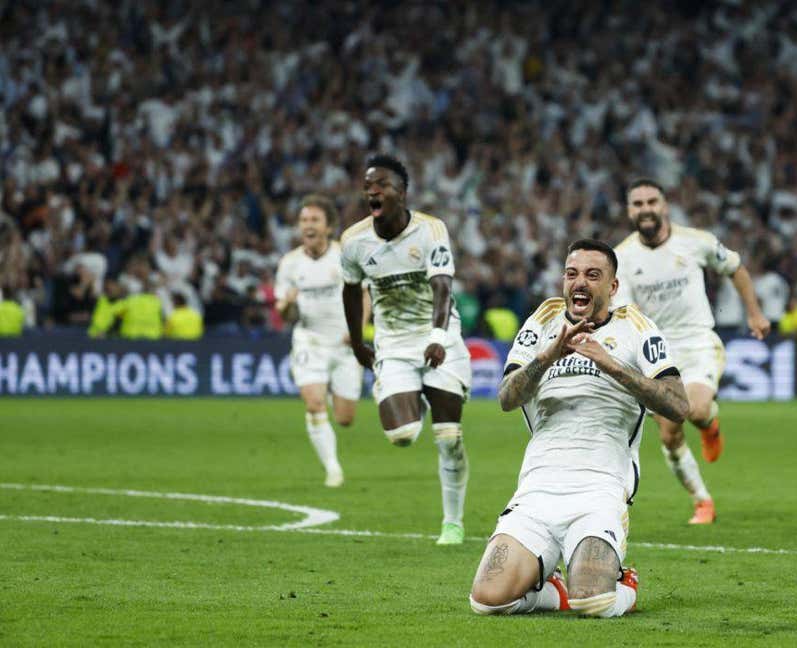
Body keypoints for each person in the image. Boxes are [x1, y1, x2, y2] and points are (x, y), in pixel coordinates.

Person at [469, 239, 689, 618]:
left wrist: (614, 366)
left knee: (593, 601)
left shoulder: (635, 327)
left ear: (613, 287)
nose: (580, 283)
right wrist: (548, 355)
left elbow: (678, 406)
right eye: (572, 274)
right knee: (487, 600)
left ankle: (625, 585)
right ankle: (551, 590)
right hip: (537, 488)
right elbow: (506, 397)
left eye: (593, 275)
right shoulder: (543, 320)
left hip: (599, 490)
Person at [613, 179, 770, 524]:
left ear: (664, 205)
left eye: (651, 201)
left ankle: (709, 424)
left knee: (695, 410)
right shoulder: (621, 258)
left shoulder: (696, 241)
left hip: (697, 342)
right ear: (629, 211)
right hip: (655, 351)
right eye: (637, 204)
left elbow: (736, 268)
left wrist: (755, 313)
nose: (645, 209)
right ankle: (703, 501)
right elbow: (625, 313)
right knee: (670, 435)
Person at [341, 154, 472, 546]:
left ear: (402, 193)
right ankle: (397, 386)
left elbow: (442, 286)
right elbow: (350, 291)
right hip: (393, 344)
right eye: (368, 186)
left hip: (438, 336)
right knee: (402, 434)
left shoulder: (431, 230)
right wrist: (356, 341)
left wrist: (437, 336)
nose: (372, 191)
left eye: (381, 184)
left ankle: (453, 523)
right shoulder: (354, 241)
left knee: (448, 437)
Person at [274, 194, 363, 488]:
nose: (307, 226)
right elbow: (284, 314)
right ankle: (333, 469)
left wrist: (358, 329)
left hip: (344, 344)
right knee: (313, 403)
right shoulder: (289, 264)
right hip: (309, 340)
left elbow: (366, 294)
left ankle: (326, 396)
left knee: (345, 418)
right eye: (303, 220)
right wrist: (287, 305)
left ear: (328, 227)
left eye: (314, 220)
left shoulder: (344, 256)